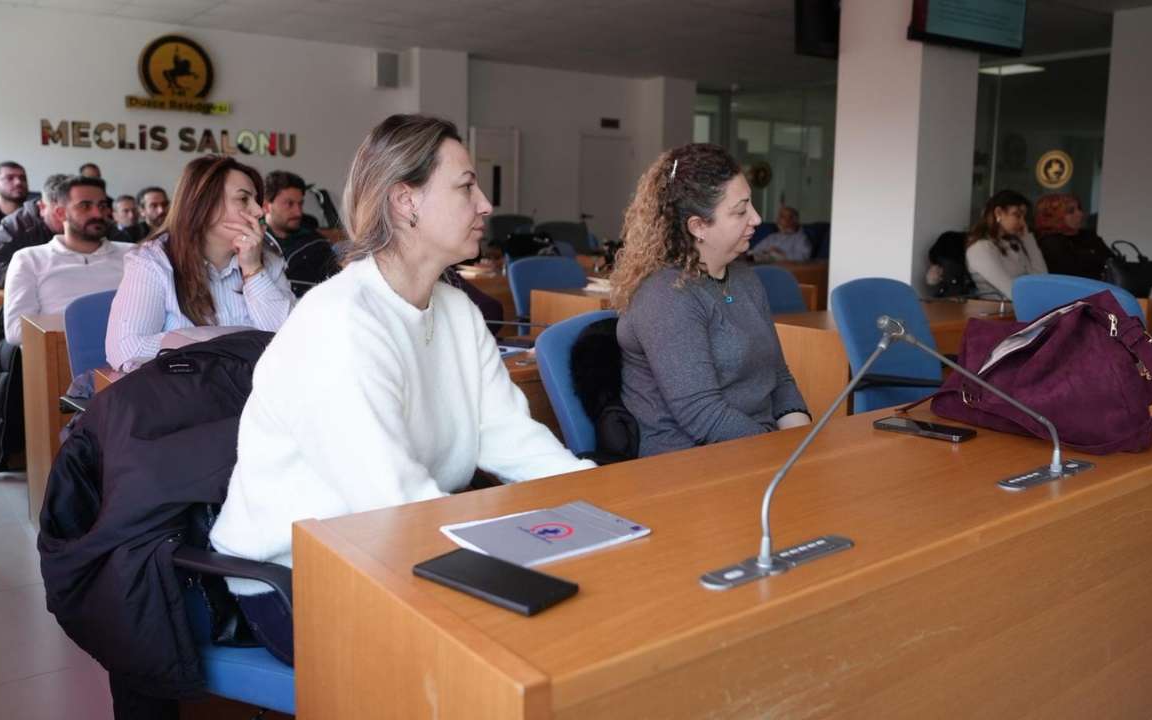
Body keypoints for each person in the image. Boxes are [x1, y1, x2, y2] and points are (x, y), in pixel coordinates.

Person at [208, 114, 595, 665]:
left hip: (395, 547)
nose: (485, 205)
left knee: (585, 607)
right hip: (297, 578)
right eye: (465, 187)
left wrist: (598, 498)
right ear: (404, 201)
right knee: (524, 646)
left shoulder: (456, 310)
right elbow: (389, 502)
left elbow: (509, 436)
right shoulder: (341, 321)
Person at [610, 143, 811, 458]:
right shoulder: (667, 295)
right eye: (740, 211)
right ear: (698, 226)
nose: (757, 218)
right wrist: (781, 452)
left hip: (757, 448)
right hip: (689, 461)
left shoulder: (746, 279)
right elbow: (703, 415)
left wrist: (804, 443)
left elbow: (779, 378)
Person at [105, 156, 295, 371]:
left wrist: (252, 268)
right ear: (204, 205)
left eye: (256, 200)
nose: (259, 211)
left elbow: (290, 341)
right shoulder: (152, 261)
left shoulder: (267, 260)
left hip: (258, 388)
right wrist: (226, 345)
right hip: (187, 388)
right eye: (243, 199)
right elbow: (125, 349)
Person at [2, 176, 129, 346]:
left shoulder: (133, 254)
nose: (98, 214)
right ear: (61, 213)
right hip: (58, 353)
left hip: (129, 353)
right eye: (85, 206)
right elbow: (17, 330)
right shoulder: (29, 259)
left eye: (102, 206)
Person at [0, 173, 69, 289]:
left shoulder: (88, 223)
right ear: (42, 208)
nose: (70, 219)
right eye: (60, 212)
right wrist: (40, 277)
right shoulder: (13, 226)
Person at [964, 189, 1048, 300]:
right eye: (1017, 215)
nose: (1022, 223)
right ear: (998, 213)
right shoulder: (980, 249)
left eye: (1024, 217)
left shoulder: (1013, 243)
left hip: (1024, 304)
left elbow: (1043, 279)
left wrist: (1027, 238)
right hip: (997, 309)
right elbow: (1012, 291)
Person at [1033, 192, 1112, 280]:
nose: (1080, 214)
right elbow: (1071, 273)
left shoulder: (1088, 235)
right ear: (1053, 216)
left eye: (1079, 208)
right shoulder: (1050, 242)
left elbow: (1111, 260)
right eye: (1070, 211)